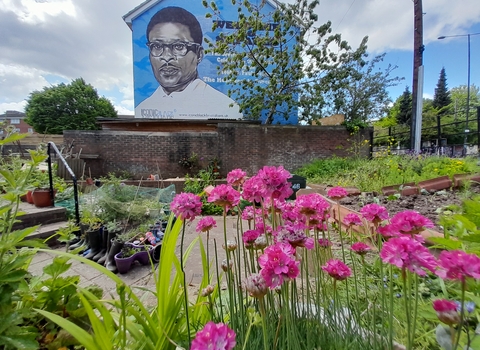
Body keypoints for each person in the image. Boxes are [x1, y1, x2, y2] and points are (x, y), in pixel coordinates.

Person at [135, 6, 242, 120]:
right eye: (157, 46)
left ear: (199, 55)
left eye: (178, 46)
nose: (166, 57)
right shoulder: (142, 109)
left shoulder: (225, 107)